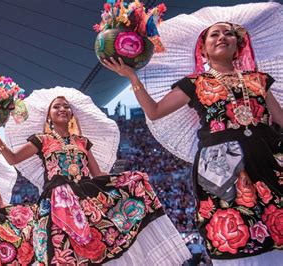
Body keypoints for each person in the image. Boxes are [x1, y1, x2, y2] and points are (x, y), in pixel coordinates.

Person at [102, 22, 283, 263]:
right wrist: (132, 77)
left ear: (238, 45)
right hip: (221, 165)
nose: (222, 37)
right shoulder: (195, 83)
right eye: (214, 35)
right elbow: (155, 111)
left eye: (228, 33)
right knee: (234, 233)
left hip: (265, 156)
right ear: (203, 50)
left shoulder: (259, 80)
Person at [0, 92, 191, 265]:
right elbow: (12, 159)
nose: (63, 109)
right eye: (57, 106)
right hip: (55, 203)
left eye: (66, 106)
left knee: (93, 249)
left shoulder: (82, 142)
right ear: (48, 115)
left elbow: (98, 175)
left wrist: (128, 180)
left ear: (72, 114)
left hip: (84, 199)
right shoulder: (41, 140)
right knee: (60, 252)